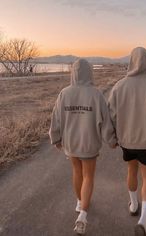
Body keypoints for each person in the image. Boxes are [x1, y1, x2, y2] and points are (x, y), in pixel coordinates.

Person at [49, 58, 117, 235]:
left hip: (71, 143)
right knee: (88, 176)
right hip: (89, 144)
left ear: (73, 73)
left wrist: (55, 138)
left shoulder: (64, 93)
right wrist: (111, 140)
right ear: (90, 72)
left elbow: (55, 118)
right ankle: (83, 216)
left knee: (76, 172)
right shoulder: (96, 94)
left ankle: (80, 202)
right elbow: (106, 122)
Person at [108, 47, 146, 236]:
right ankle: (143, 221)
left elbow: (111, 116)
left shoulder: (119, 86)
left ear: (131, 62)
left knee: (131, 171)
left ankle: (133, 205)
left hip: (127, 141)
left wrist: (113, 138)